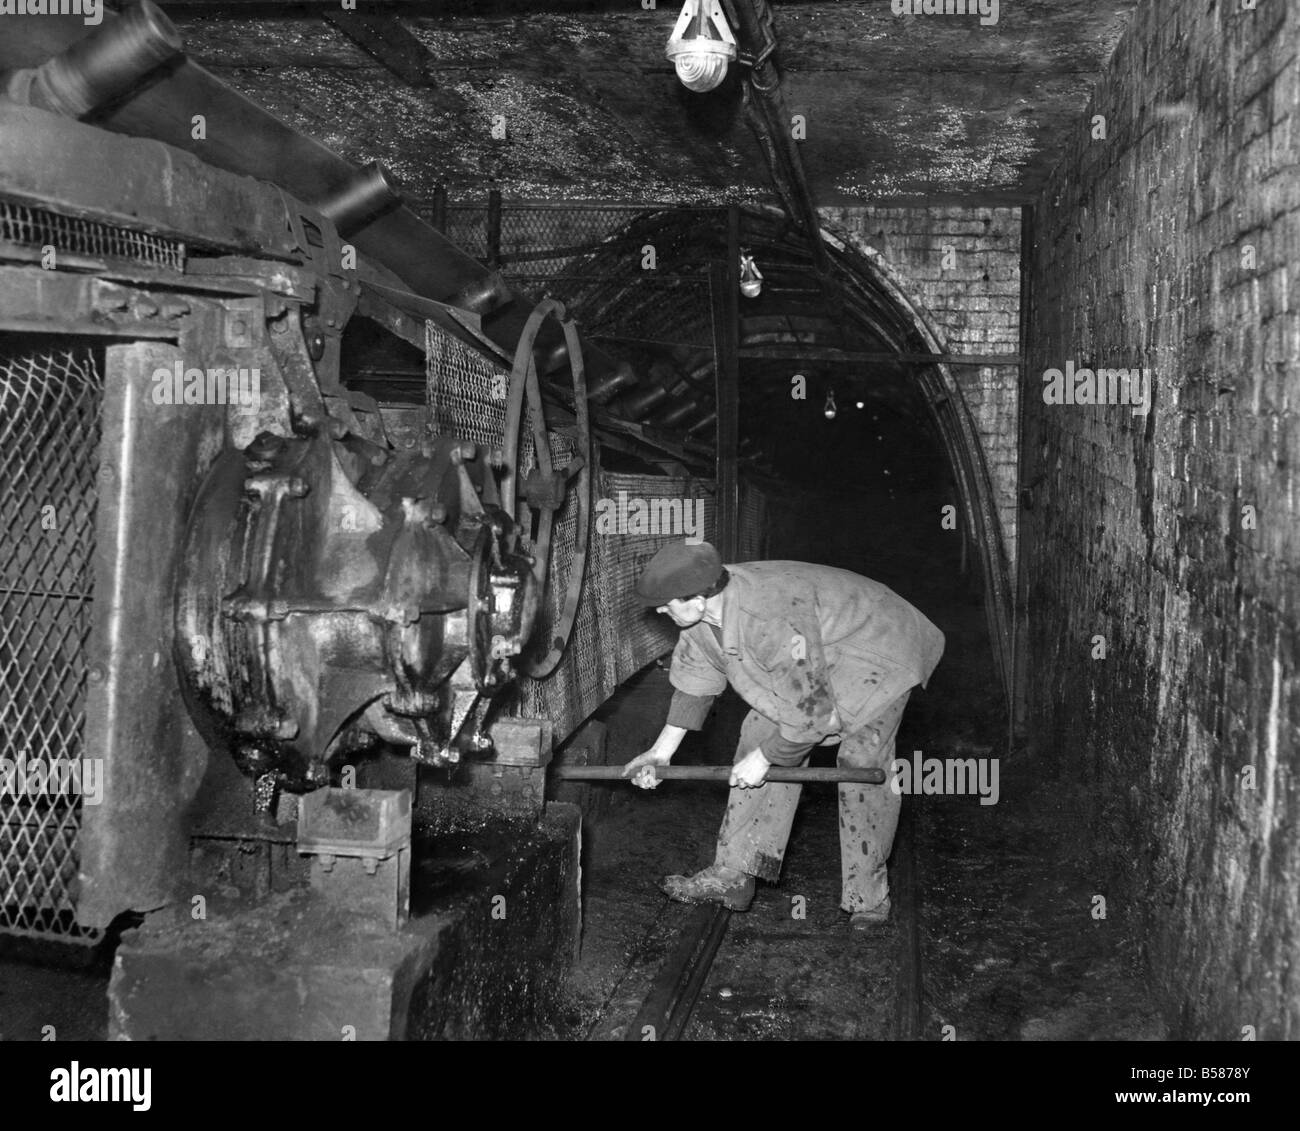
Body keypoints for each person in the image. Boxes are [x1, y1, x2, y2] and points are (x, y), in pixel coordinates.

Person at [622, 541, 944, 928]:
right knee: (760, 734)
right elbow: (696, 681)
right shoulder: (699, 617)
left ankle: (867, 899)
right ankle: (733, 873)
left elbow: (810, 714)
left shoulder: (770, 614)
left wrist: (766, 759)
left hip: (876, 644)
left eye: (667, 602)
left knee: (861, 762)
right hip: (814, 645)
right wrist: (660, 753)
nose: (659, 610)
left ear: (699, 597)